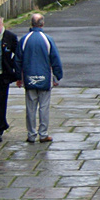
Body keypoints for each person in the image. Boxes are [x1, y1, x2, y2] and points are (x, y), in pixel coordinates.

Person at [15, 13, 63, 144]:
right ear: (42, 24)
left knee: (30, 108)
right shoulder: (47, 39)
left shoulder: (24, 39)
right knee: (44, 107)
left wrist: (18, 77)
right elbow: (55, 59)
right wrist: (57, 76)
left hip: (29, 78)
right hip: (45, 78)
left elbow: (17, 60)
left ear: (31, 23)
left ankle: (31, 134)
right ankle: (43, 134)